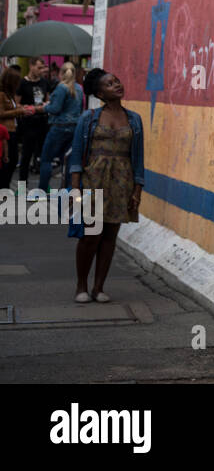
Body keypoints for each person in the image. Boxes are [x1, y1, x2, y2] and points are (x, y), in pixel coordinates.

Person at [67, 69, 144, 304]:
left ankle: (99, 287)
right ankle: (81, 285)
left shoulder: (134, 119)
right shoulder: (88, 118)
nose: (117, 85)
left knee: (110, 236)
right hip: (93, 182)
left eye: (117, 81)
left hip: (122, 183)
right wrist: (75, 189)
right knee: (91, 235)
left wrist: (137, 190)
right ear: (100, 93)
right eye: (110, 84)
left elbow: (139, 158)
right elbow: (77, 156)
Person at [35, 62, 83, 194]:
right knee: (67, 161)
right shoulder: (79, 88)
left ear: (62, 73)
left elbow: (55, 109)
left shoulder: (61, 88)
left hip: (59, 128)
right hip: (74, 129)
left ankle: (42, 191)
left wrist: (44, 107)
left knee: (46, 159)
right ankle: (67, 190)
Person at [17, 58, 55, 187]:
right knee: (26, 155)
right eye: (39, 67)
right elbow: (16, 104)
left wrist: (47, 104)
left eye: (42, 68)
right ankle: (22, 187)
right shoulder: (23, 83)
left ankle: (44, 185)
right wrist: (25, 108)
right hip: (28, 123)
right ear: (31, 66)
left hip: (43, 121)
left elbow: (49, 99)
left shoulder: (44, 82)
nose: (41, 70)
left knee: (44, 155)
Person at [0, 69, 34, 190]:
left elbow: (12, 108)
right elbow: (1, 113)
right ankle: (3, 188)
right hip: (5, 131)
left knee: (13, 160)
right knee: (8, 160)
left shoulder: (10, 95)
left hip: (13, 131)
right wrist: (19, 111)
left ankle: (5, 187)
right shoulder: (2, 95)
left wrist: (21, 108)